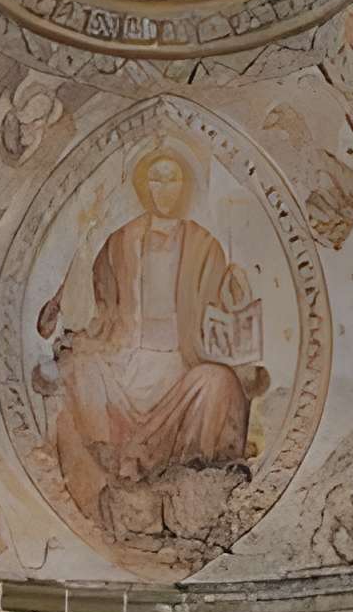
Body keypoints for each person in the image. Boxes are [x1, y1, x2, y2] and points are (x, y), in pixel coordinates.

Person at [35, 147, 264, 517]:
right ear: (144, 186)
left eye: (173, 179)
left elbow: (221, 309)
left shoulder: (205, 245)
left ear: (184, 187)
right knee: (79, 368)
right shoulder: (119, 241)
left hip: (181, 365)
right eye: (156, 178)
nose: (164, 188)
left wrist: (236, 291)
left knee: (219, 382)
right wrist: (69, 314)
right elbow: (97, 306)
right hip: (125, 362)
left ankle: (191, 482)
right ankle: (102, 481)